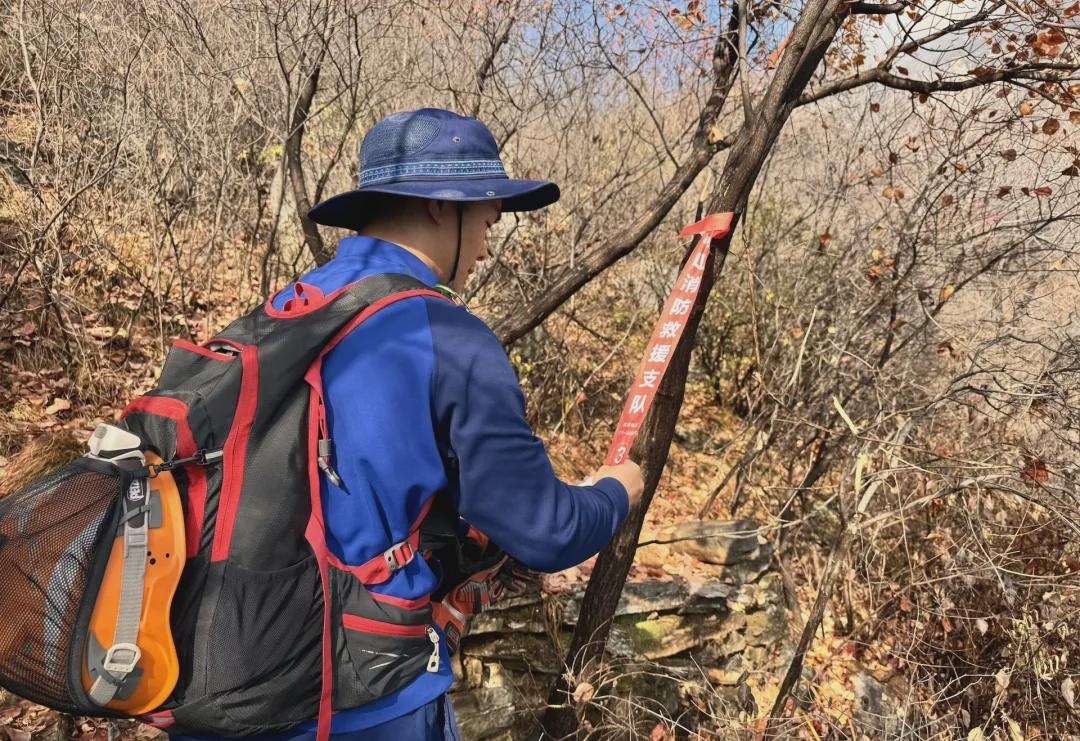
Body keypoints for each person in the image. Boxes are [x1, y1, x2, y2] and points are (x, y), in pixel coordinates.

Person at [197, 108, 641, 740]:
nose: (486, 246)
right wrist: (617, 491)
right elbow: (547, 531)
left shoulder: (280, 315)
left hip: (219, 674)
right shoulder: (446, 338)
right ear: (441, 208)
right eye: (486, 220)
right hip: (360, 702)